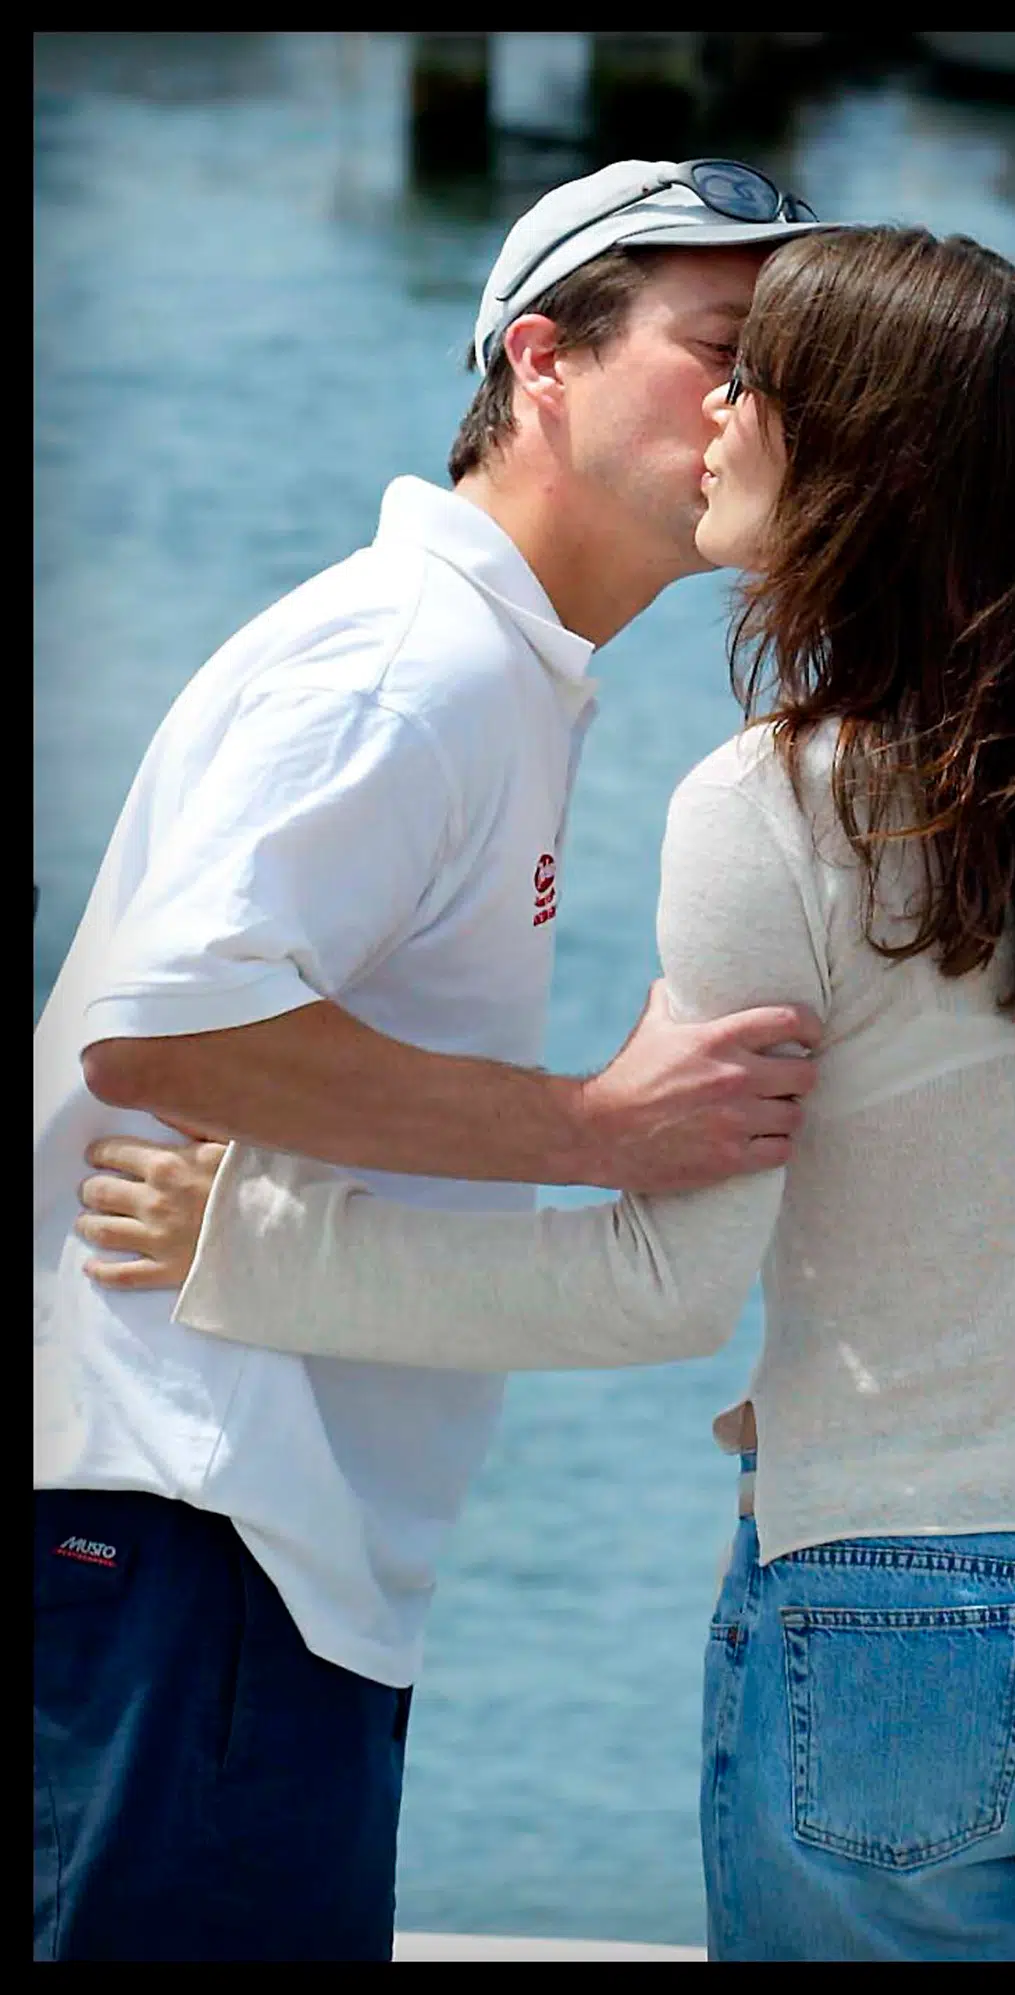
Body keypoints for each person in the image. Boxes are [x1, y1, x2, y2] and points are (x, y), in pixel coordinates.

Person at [74, 226, 1015, 1963]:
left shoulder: (769, 805)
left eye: (762, 384)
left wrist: (257, 1245)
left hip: (891, 1612)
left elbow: (659, 1285)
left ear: (862, 459)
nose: (723, 423)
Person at [33, 157, 835, 1964]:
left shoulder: (494, 663)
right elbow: (166, 1023)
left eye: (783, 363)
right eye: (720, 350)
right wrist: (595, 1125)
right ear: (539, 360)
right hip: (189, 1511)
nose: (757, 407)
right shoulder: (417, 662)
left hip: (242, 1528)